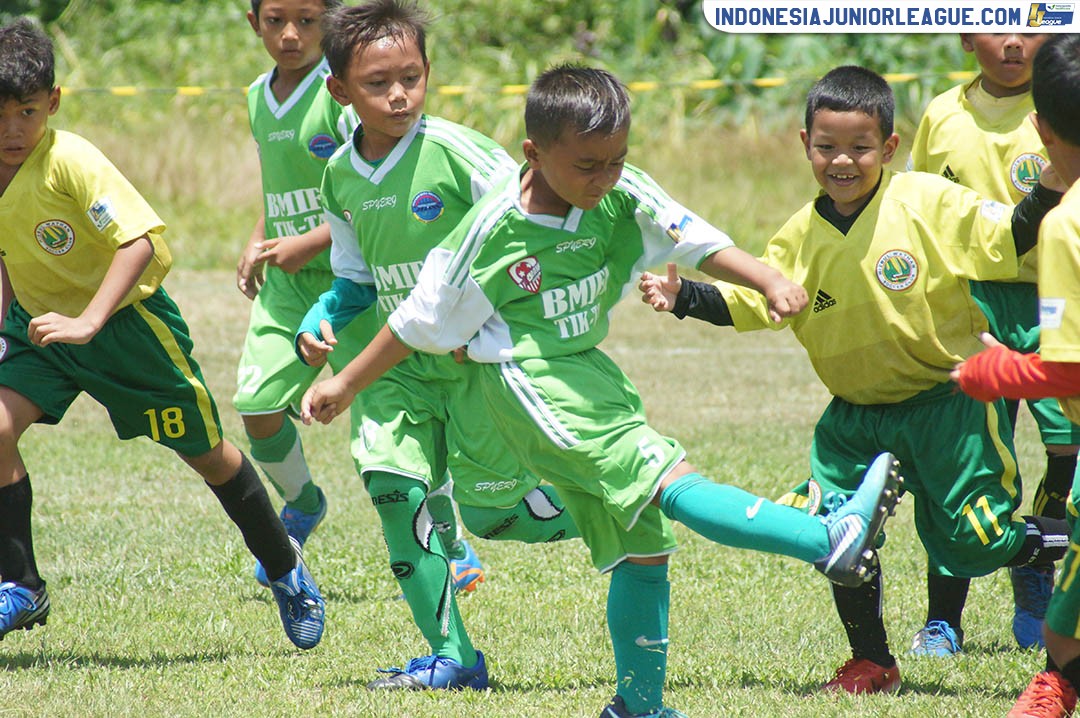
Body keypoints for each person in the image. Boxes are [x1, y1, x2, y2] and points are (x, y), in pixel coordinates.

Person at [300, 63, 903, 717]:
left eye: (617, 159)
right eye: (588, 164)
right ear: (534, 154)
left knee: (642, 546)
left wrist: (765, 280)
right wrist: (346, 382)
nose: (605, 177)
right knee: (667, 477)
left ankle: (638, 706)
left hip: (588, 373)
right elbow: (415, 322)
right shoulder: (492, 232)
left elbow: (693, 238)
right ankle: (827, 541)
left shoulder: (622, 191)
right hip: (529, 382)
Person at [638, 65, 1071, 695]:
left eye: (860, 147)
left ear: (889, 148)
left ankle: (1059, 544)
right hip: (855, 417)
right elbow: (761, 303)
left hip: (946, 405)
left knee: (977, 544)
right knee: (836, 534)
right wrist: (687, 296)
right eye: (826, 147)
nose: (843, 161)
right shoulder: (799, 235)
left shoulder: (926, 201)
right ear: (805, 144)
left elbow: (1005, 237)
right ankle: (871, 659)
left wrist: (1051, 188)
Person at [0, 17, 325, 650]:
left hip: (127, 330)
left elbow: (140, 242)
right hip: (42, 328)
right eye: (0, 114)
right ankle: (21, 585)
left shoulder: (69, 160)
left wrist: (91, 318)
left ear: (55, 103)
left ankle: (287, 571)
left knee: (208, 455)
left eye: (28, 112)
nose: (13, 130)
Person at [294, 0, 580, 690]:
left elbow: (536, 229)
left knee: (494, 514)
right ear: (339, 90)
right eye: (378, 83)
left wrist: (506, 322)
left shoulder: (459, 154)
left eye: (412, 77)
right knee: (395, 491)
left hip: (476, 367)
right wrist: (319, 317)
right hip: (392, 371)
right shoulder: (339, 178)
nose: (399, 95)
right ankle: (454, 658)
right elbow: (354, 281)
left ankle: (633, 502)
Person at [238, 0, 486, 592]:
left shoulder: (351, 97)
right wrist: (259, 239)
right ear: (255, 24)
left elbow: (373, 180)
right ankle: (302, 503)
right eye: (276, 20)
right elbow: (301, 186)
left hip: (360, 286)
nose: (291, 34)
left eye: (307, 20)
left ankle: (451, 541)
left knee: (404, 428)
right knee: (255, 404)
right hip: (299, 289)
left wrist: (307, 242)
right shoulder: (256, 96)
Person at [909, 31, 1075, 655]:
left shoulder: (1068, 106)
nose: (1012, 39)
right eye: (994, 19)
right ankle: (942, 618)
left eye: (1029, 20)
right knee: (967, 460)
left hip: (1058, 299)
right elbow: (917, 213)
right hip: (975, 302)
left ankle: (1037, 579)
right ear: (962, 31)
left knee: (1067, 450)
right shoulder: (942, 115)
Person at [952, 33, 1080, 718]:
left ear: (1041, 128)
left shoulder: (1066, 224)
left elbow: (1068, 368)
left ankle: (1056, 681)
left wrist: (990, 371)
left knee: (1063, 632)